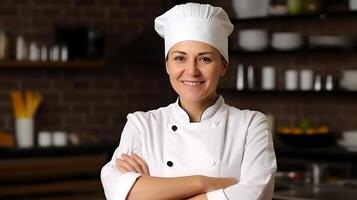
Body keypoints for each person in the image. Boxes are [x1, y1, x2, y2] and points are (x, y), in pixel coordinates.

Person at [101, 3, 277, 200]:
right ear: (167, 65)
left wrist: (154, 192)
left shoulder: (251, 125)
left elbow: (255, 194)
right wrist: (205, 183)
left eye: (204, 59)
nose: (192, 71)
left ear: (223, 66)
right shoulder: (142, 125)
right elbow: (117, 191)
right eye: (179, 58)